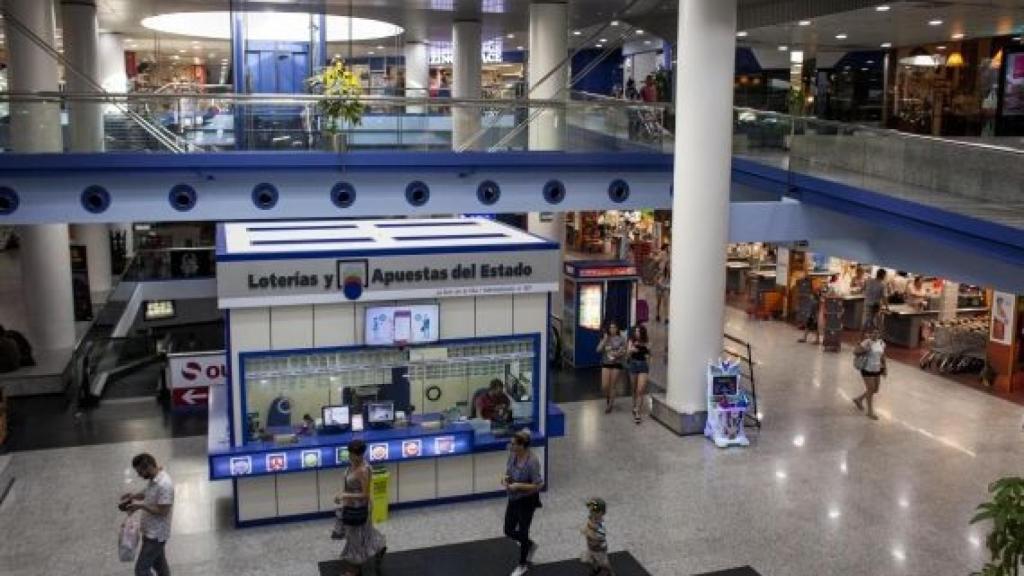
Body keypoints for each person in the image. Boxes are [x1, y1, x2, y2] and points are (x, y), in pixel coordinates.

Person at [334, 440, 387, 576]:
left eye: (353, 455)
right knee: (366, 533)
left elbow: (364, 494)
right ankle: (379, 546)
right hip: (352, 505)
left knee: (355, 538)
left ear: (360, 455)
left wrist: (344, 495)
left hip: (358, 508)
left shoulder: (363, 470)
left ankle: (354, 571)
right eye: (350, 454)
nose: (350, 457)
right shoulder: (353, 465)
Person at [119, 453, 174, 576]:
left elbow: (163, 511)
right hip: (150, 531)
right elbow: (147, 493)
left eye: (140, 472)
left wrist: (140, 506)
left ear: (148, 467)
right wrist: (133, 496)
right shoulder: (155, 478)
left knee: (141, 570)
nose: (139, 475)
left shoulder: (164, 485)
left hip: (156, 535)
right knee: (159, 564)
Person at [503, 430, 544, 576]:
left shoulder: (532, 462)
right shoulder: (512, 455)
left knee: (523, 531)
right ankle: (529, 544)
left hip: (527, 501)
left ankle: (522, 564)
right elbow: (508, 472)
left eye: (514, 444)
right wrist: (506, 480)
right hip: (513, 497)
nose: (511, 446)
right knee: (508, 530)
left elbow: (538, 485)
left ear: (522, 446)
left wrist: (519, 486)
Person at [852, 330, 887, 420]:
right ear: (870, 333)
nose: (875, 334)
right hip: (866, 368)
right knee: (870, 389)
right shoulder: (866, 342)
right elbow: (855, 352)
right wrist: (865, 349)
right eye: (873, 332)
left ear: (879, 334)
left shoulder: (881, 343)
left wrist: (884, 368)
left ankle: (859, 399)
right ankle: (870, 411)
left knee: (875, 389)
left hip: (877, 369)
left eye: (877, 333)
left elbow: (882, 356)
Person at [596, 322, 628, 414]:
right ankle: (608, 397)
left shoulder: (621, 339)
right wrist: (605, 339)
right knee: (605, 386)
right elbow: (598, 350)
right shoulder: (605, 338)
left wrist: (617, 354)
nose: (612, 329)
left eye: (614, 327)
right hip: (606, 363)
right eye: (610, 327)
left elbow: (624, 351)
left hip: (616, 364)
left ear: (617, 329)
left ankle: (610, 406)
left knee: (613, 385)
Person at [581, 497, 614, 576]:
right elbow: (588, 526)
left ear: (601, 512)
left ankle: (609, 572)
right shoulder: (591, 519)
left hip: (599, 547)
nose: (591, 512)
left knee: (603, 562)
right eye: (590, 510)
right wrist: (586, 531)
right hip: (591, 545)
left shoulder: (600, 525)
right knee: (593, 559)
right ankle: (596, 569)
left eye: (593, 511)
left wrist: (592, 536)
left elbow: (601, 537)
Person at [627, 325, 651, 424]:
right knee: (633, 389)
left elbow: (649, 356)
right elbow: (627, 355)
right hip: (633, 364)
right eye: (636, 331)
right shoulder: (631, 341)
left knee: (640, 390)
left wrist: (648, 356)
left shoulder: (647, 342)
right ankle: (634, 405)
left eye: (639, 331)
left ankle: (637, 412)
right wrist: (630, 350)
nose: (637, 333)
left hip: (643, 366)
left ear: (642, 332)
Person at [862, 268, 888, 333]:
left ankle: (866, 334)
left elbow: (863, 288)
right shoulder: (882, 284)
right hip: (875, 305)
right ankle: (877, 333)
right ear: (883, 275)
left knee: (869, 319)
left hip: (867, 302)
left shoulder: (869, 280)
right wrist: (887, 307)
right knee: (875, 320)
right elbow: (884, 297)